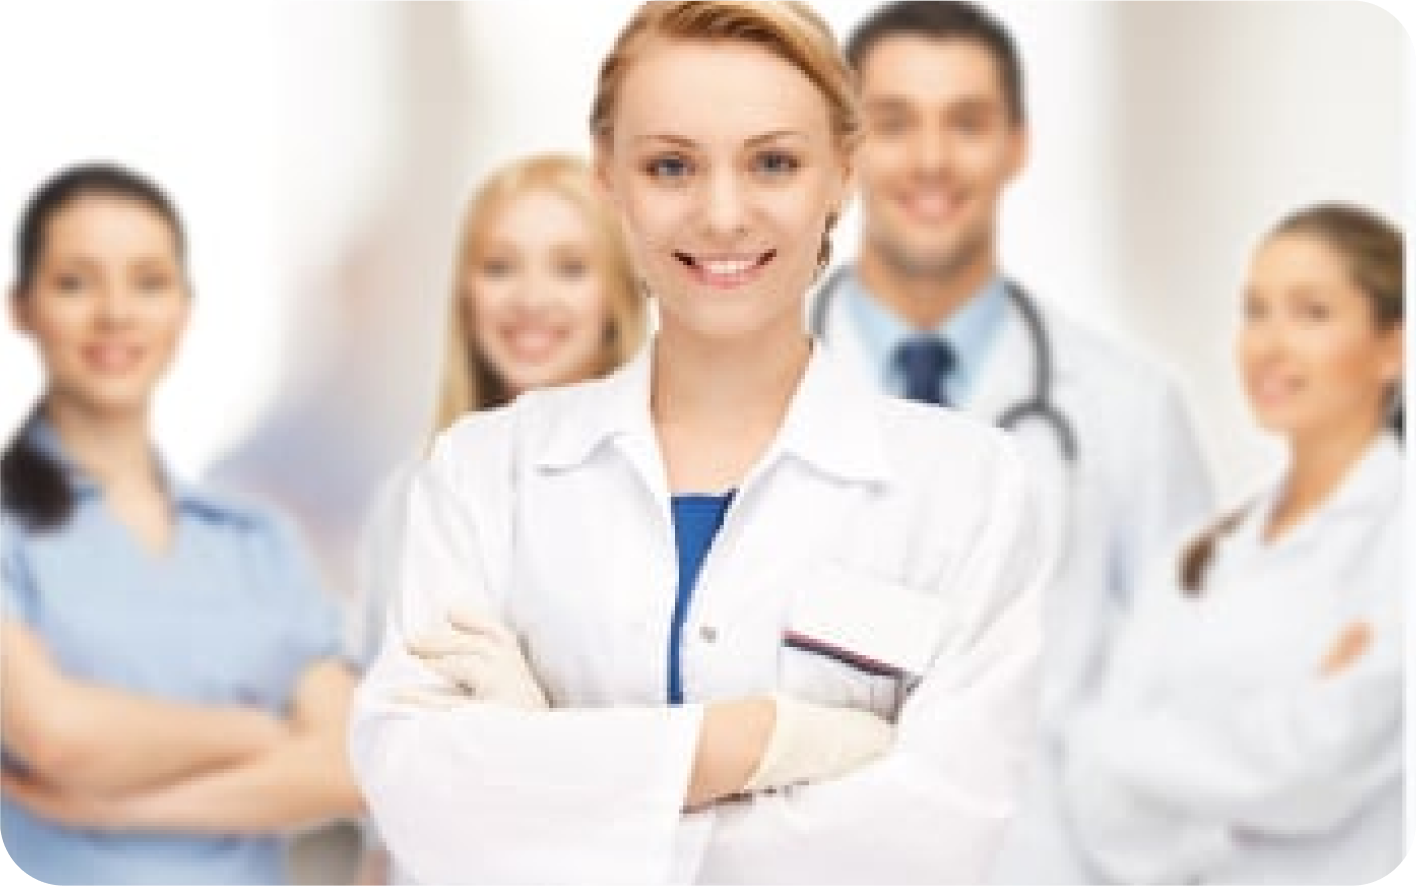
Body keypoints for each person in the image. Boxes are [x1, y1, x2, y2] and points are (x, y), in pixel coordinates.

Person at [350, 2, 1047, 885]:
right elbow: (424, 800)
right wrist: (764, 741)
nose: (722, 214)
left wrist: (550, 766)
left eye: (774, 163)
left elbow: (934, 837)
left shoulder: (965, 488)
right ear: (609, 177)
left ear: (844, 173)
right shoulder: (485, 474)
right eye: (672, 165)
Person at [813, 4, 1215, 878]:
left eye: (967, 121)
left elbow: (1194, 707)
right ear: (843, 149)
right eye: (893, 123)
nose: (930, 159)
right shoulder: (733, 394)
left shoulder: (1129, 410)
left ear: (1017, 146)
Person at [0, 163, 364, 886]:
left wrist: (123, 810)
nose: (115, 313)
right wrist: (259, 730)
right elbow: (58, 739)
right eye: (76, 282)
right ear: (22, 307)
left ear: (185, 311)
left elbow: (350, 765)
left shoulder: (256, 542)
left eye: (147, 282)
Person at [1052, 203, 1405, 886]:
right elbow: (1093, 783)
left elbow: (1313, 769)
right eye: (1255, 310)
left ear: (1393, 345)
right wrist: (1242, 793)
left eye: (1311, 313)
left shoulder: (1400, 536)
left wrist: (1158, 761)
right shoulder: (1201, 555)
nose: (1269, 344)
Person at [349, 152, 647, 886]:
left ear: (617, 298)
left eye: (570, 268)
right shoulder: (409, 498)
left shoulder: (664, 492)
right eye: (500, 267)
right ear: (465, 295)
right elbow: (384, 762)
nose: (529, 299)